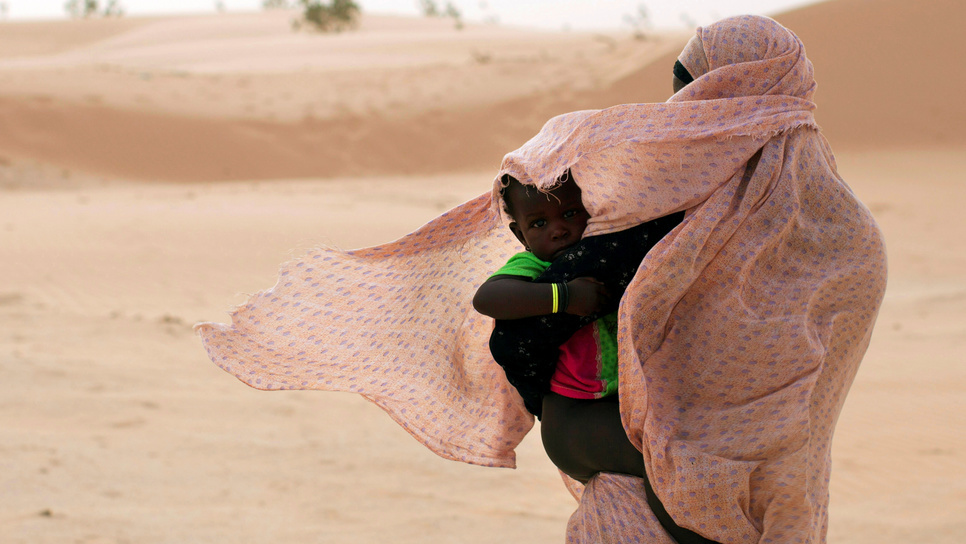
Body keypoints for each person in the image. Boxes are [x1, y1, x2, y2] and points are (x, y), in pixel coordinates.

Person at [197, 14, 887, 544]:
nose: (680, 106)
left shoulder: (662, 191)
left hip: (636, 469)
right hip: (769, 497)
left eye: (688, 88)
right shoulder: (852, 233)